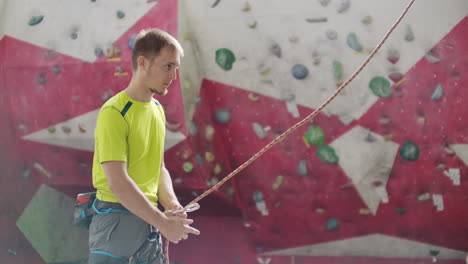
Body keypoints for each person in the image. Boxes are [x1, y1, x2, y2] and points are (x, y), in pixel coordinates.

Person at [88, 28, 200, 264]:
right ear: (143, 63)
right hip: (115, 223)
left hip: (149, 222)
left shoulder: (157, 109)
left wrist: (170, 203)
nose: (173, 76)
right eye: (168, 66)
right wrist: (163, 223)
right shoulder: (114, 112)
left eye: (176, 68)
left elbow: (157, 168)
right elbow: (118, 182)